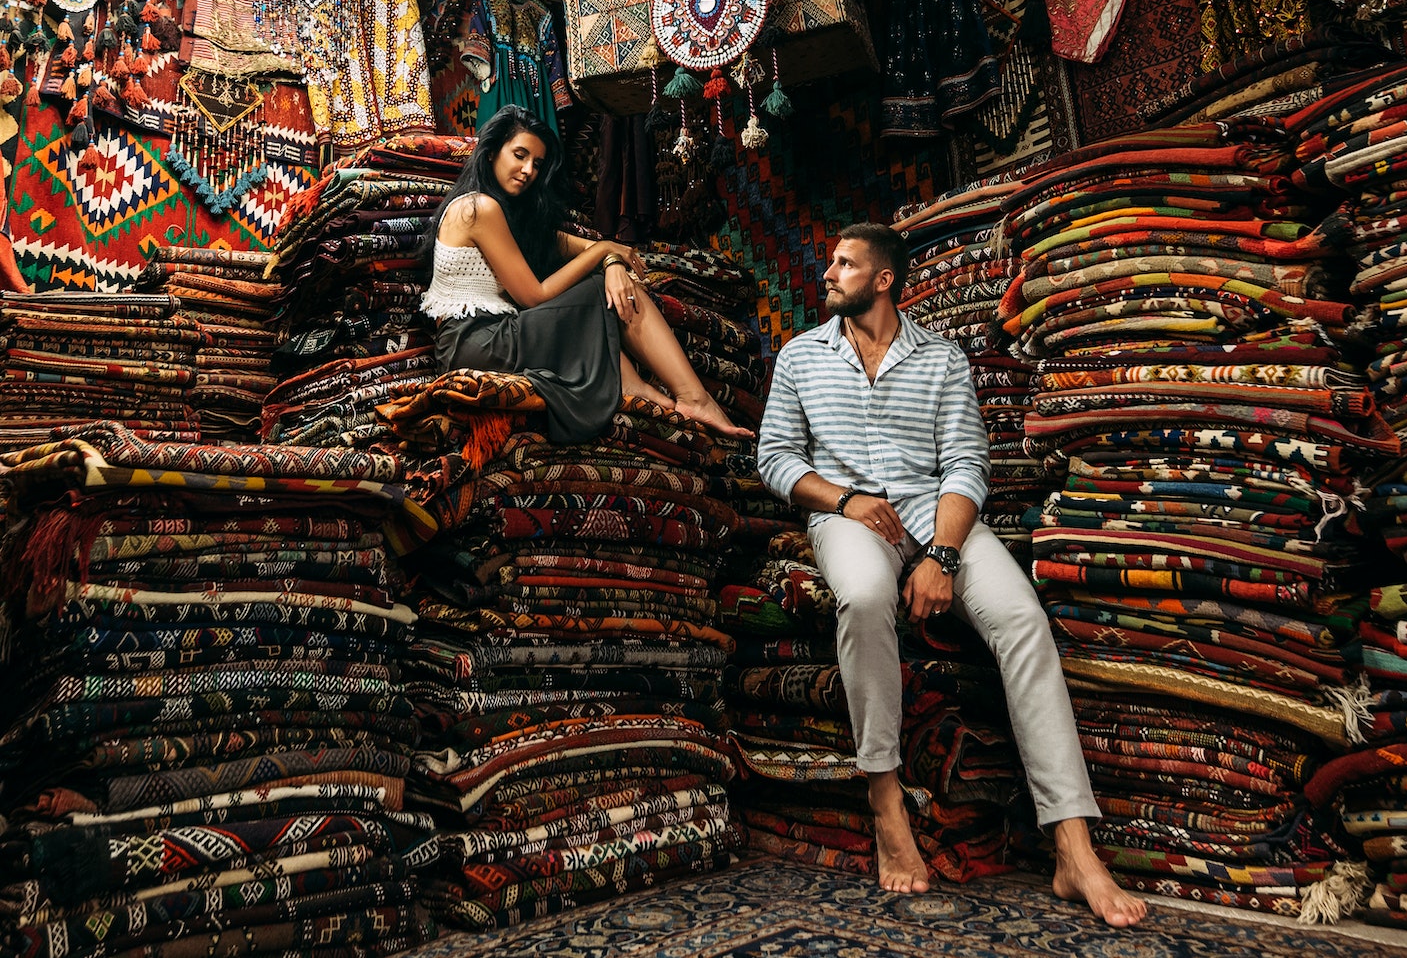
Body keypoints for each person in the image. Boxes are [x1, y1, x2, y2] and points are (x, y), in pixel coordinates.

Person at [756, 222, 1148, 928]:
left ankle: (1072, 845)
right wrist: (846, 500)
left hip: (937, 517)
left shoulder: (941, 359)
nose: (827, 273)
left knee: (1023, 620)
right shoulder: (800, 357)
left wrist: (941, 554)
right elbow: (776, 459)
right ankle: (884, 795)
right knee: (867, 595)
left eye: (844, 264)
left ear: (883, 279)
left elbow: (968, 464)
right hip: (848, 518)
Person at [420, 104, 750, 442]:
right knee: (597, 291)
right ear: (491, 153)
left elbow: (578, 247)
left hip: (481, 340)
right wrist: (605, 253)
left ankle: (638, 390)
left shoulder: (510, 216)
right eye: (519, 155)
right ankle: (693, 398)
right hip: (476, 342)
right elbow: (534, 296)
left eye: (537, 164)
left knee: (605, 286)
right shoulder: (479, 209)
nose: (527, 170)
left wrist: (611, 262)